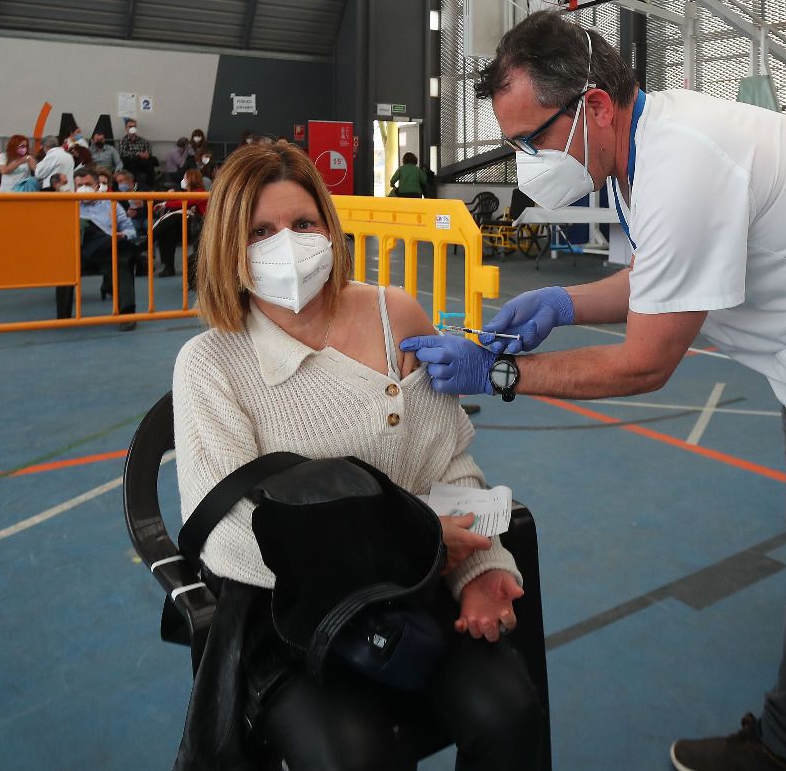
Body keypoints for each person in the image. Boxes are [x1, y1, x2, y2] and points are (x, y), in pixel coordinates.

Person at [403, 12, 786, 771]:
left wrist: (501, 373)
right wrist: (566, 304)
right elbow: (663, 279)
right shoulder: (635, 155)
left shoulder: (684, 161)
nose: (526, 161)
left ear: (594, 106)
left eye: (532, 138)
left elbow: (646, 364)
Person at [170, 143, 542, 769]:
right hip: (289, 622)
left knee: (509, 710)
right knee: (353, 755)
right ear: (230, 246)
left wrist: (479, 569)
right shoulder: (210, 365)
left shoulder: (393, 315)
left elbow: (444, 462)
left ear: (329, 227)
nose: (286, 245)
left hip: (418, 594)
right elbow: (232, 541)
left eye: (303, 224)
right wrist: (412, 545)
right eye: (260, 231)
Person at [56, 176, 140, 329]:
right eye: (80, 185)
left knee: (120, 260)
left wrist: (123, 235)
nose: (84, 188)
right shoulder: (68, 204)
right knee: (87, 227)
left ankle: (127, 314)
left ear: (96, 186)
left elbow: (131, 230)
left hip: (107, 251)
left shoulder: (111, 204)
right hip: (78, 252)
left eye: (88, 184)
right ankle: (135, 253)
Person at [152, 167, 207, 278]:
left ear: (191, 179)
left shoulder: (200, 193)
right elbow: (180, 202)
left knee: (172, 220)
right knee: (168, 232)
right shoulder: (187, 193)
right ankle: (168, 266)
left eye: (184, 178)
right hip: (193, 226)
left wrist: (164, 204)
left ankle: (150, 238)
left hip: (202, 226)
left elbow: (183, 202)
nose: (183, 180)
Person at [121, 119, 157, 190]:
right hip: (131, 162)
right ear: (126, 128)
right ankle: (141, 187)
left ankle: (151, 188)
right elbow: (122, 152)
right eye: (130, 126)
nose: (132, 128)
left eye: (134, 126)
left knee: (151, 162)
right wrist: (137, 153)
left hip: (142, 161)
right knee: (130, 161)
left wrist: (146, 154)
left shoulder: (142, 140)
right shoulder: (123, 140)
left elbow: (147, 150)